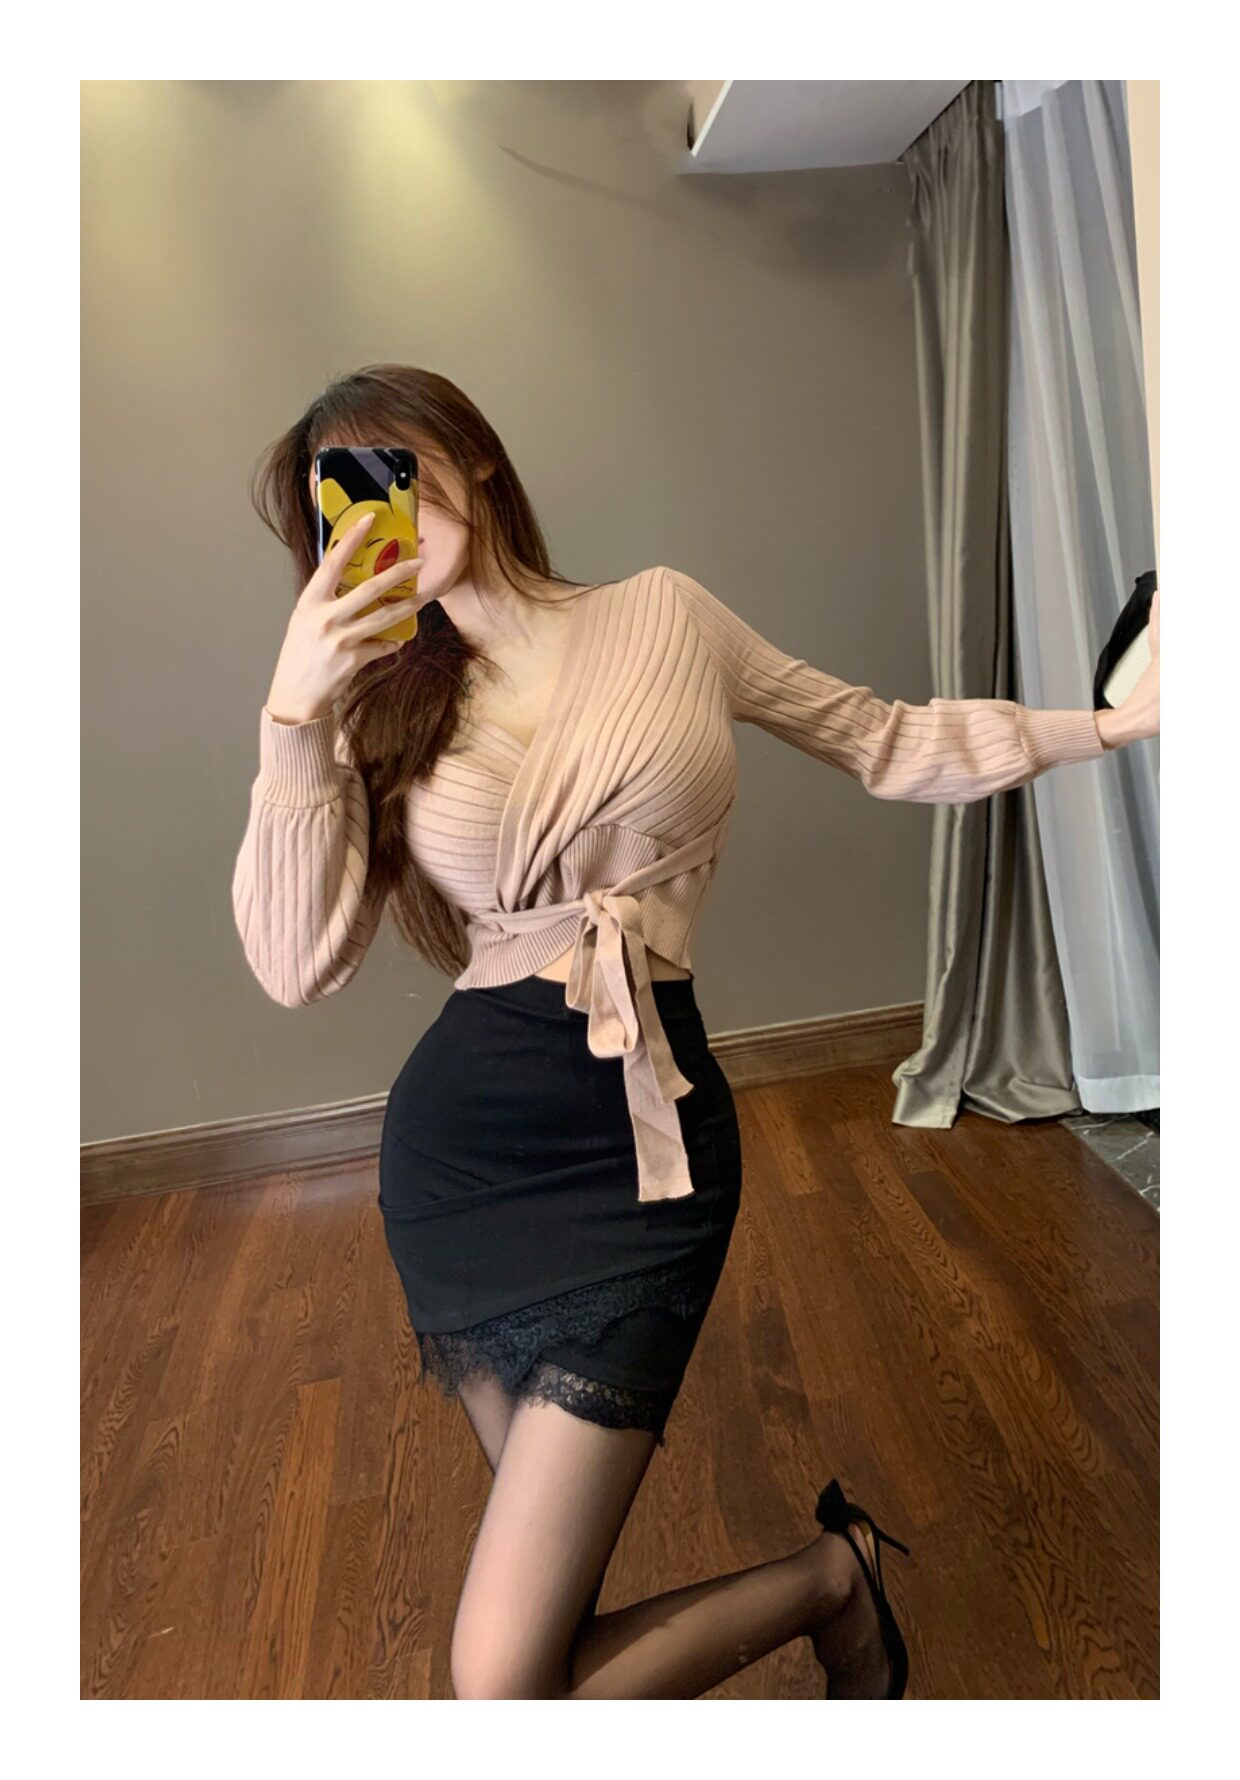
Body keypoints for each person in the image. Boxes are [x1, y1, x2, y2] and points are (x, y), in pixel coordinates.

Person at [231, 364, 1160, 1701]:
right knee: (535, 1647)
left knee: (505, 1683)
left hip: (643, 1145)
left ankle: (833, 1584)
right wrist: (293, 716)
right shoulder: (374, 703)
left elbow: (884, 738)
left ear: (473, 456)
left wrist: (1117, 726)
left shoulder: (664, 614)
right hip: (464, 1169)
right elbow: (293, 964)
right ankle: (838, 1580)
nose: (384, 507)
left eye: (399, 463)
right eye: (346, 494)